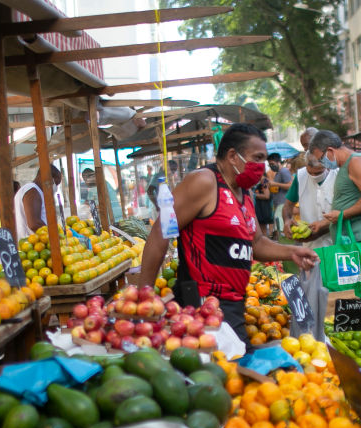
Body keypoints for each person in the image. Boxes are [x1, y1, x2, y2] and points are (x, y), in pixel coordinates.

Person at [137, 123, 319, 345]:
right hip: (203, 303)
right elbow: (160, 233)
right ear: (233, 156)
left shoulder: (244, 192)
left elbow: (257, 243)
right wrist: (144, 297)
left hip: (233, 304)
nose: (262, 166)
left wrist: (292, 251)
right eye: (257, 158)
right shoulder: (204, 181)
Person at [307, 129, 361, 309]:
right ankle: (356, 332)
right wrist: (325, 223)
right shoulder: (346, 166)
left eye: (321, 157)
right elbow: (350, 203)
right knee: (352, 291)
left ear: (330, 151)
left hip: (359, 238)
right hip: (351, 238)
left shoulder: (356, 162)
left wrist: (341, 215)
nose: (322, 163)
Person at [280, 151, 339, 341]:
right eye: (311, 170)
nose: (314, 174)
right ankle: (314, 338)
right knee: (312, 294)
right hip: (309, 246)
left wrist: (324, 225)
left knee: (335, 294)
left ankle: (334, 337)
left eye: (318, 170)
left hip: (335, 244)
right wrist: (288, 220)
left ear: (327, 164)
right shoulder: (301, 176)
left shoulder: (339, 176)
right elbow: (287, 206)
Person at [15, 164, 62, 240]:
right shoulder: (32, 190)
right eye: (55, 183)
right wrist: (54, 236)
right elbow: (34, 224)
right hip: (29, 244)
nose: (56, 187)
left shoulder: (36, 191)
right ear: (47, 178)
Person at [267, 152, 293, 234]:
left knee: (280, 229)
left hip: (283, 204)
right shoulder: (278, 173)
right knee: (278, 227)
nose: (271, 166)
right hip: (278, 204)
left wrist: (275, 184)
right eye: (269, 164)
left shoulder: (284, 171)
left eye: (272, 163)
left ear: (278, 162)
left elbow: (290, 186)